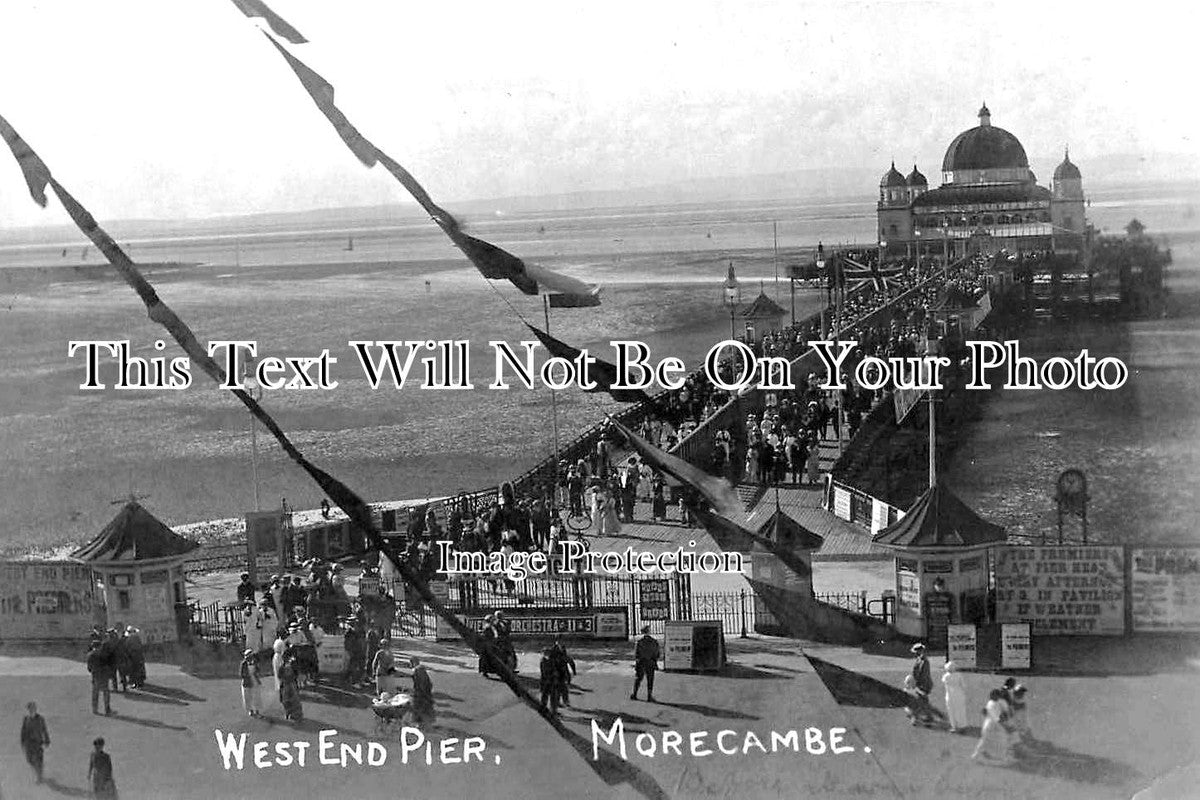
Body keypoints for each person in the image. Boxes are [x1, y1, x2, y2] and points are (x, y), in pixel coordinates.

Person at [972, 689, 1011, 763]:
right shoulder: (991, 704)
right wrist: (1006, 725)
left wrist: (1005, 714)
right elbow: (997, 718)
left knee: (1003, 738)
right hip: (989, 726)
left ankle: (1003, 757)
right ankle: (976, 756)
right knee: (985, 741)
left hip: (995, 725)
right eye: (997, 695)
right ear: (992, 696)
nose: (998, 697)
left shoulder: (997, 702)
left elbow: (1003, 710)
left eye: (999, 695)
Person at [20, 701, 50, 784]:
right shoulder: (26, 719)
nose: (31, 710)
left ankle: (39, 776)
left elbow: (44, 730)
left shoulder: (40, 719)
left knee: (39, 760)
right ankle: (38, 773)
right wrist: (22, 742)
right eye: (30, 709)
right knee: (29, 760)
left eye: (33, 708)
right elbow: (23, 731)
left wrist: (47, 740)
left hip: (38, 743)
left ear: (35, 709)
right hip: (29, 744)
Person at [630, 625, 660, 702]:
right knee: (650, 679)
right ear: (649, 632)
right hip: (650, 662)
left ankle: (635, 694)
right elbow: (657, 653)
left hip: (641, 662)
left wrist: (637, 661)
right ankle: (649, 696)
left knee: (638, 678)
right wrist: (654, 660)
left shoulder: (639, 642)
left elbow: (636, 654)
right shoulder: (654, 642)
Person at [908, 643, 934, 726]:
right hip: (921, 684)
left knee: (920, 700)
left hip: (923, 684)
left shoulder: (924, 661)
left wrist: (917, 684)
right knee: (922, 701)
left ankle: (918, 717)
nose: (914, 654)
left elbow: (923, 675)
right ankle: (926, 716)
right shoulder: (919, 660)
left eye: (915, 652)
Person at [86, 643, 113, 716]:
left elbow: (89, 668)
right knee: (106, 692)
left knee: (95, 692)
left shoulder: (90, 655)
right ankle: (107, 709)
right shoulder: (104, 654)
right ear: (100, 646)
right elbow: (108, 664)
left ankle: (95, 709)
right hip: (104, 675)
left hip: (95, 675)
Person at [942, 660, 968, 733]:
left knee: (951, 711)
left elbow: (944, 683)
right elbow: (963, 686)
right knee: (960, 710)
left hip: (950, 696)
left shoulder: (945, 676)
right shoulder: (959, 675)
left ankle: (954, 726)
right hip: (959, 695)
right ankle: (962, 725)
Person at [409, 656, 435, 727]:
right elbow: (429, 683)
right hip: (425, 691)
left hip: (420, 693)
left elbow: (419, 683)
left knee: (418, 707)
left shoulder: (417, 670)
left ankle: (419, 723)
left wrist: (419, 692)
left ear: (413, 662)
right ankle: (424, 722)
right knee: (425, 707)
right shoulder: (422, 669)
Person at [240, 649, 265, 718]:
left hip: (255, 681)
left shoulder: (255, 662)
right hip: (247, 682)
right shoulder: (243, 664)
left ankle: (257, 711)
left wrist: (256, 671)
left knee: (256, 696)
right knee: (248, 697)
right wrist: (247, 676)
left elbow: (258, 670)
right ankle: (250, 710)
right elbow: (242, 674)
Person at [278, 655, 304, 722]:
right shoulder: (282, 667)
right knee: (286, 700)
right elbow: (279, 676)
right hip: (286, 685)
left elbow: (296, 674)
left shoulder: (292, 666)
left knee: (293, 700)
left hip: (291, 684)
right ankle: (288, 713)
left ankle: (294, 714)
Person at [539, 647, 564, 715]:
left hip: (551, 681)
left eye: (548, 653)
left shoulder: (551, 660)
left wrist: (555, 675)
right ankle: (543, 709)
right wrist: (552, 675)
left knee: (553, 696)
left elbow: (554, 669)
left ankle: (553, 710)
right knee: (545, 696)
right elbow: (544, 672)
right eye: (546, 653)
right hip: (546, 681)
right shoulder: (543, 661)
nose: (548, 654)